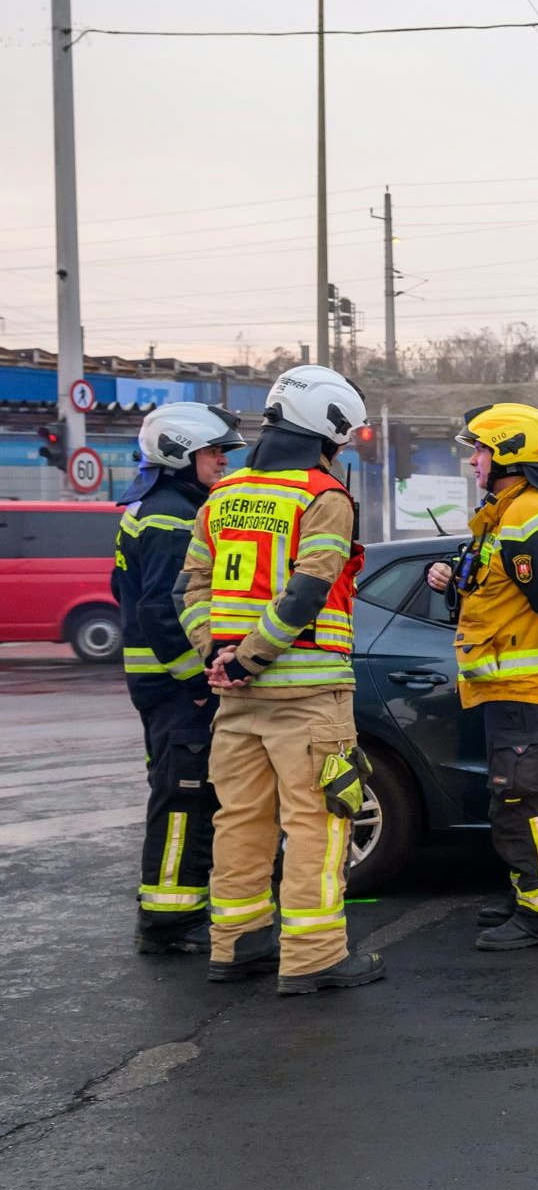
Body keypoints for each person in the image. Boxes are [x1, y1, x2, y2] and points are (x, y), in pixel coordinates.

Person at [180, 365, 383, 994]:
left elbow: (191, 589)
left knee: (240, 822)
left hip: (235, 701)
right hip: (307, 696)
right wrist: (251, 655)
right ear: (326, 427)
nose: (340, 449)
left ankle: (235, 944)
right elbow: (309, 590)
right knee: (319, 823)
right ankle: (315, 956)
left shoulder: (223, 494)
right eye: (341, 438)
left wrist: (217, 651)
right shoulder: (322, 496)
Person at [424, 403, 538, 951]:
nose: (472, 461)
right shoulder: (504, 512)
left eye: (478, 450)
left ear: (506, 454)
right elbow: (498, 597)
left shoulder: (526, 513)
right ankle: (528, 892)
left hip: (528, 691)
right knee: (511, 796)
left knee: (524, 797)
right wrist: (452, 582)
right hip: (505, 688)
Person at [115, 403, 246, 955]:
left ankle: (177, 906)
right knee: (182, 800)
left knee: (181, 794)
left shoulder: (158, 507)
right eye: (214, 451)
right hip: (177, 688)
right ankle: (168, 919)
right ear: (179, 452)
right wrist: (200, 681)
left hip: (160, 687)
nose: (222, 461)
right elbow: (162, 612)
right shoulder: (172, 516)